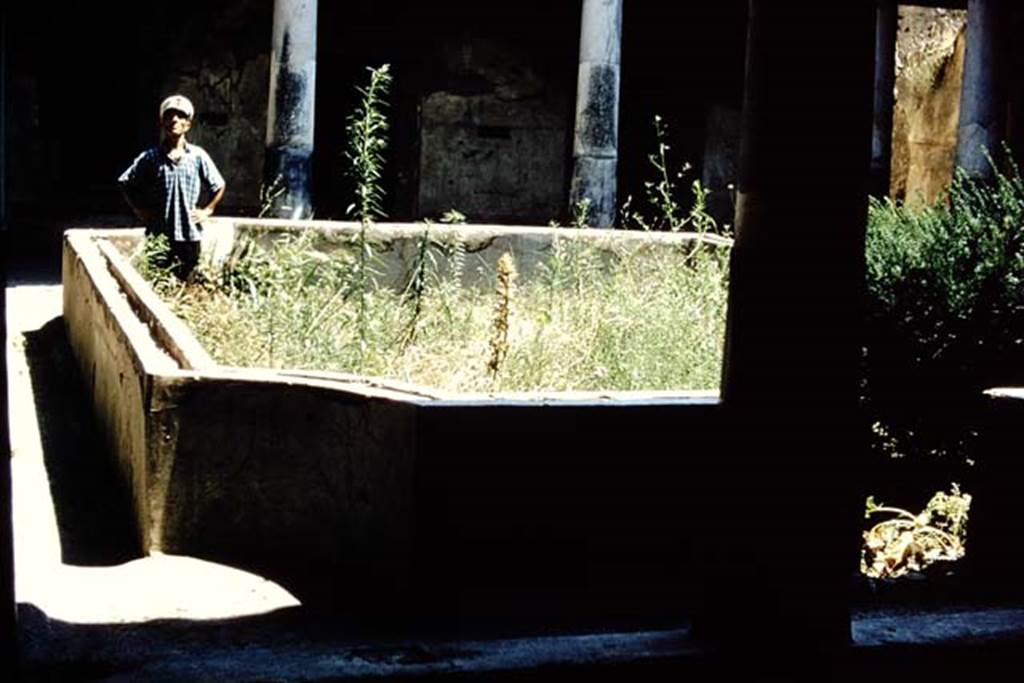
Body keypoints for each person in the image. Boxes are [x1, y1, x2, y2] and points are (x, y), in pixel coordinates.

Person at [118, 94, 226, 279]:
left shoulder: (198, 156)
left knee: (188, 284)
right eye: (169, 116)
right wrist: (140, 209)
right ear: (162, 122)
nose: (174, 120)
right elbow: (126, 182)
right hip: (159, 234)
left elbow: (219, 185)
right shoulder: (150, 157)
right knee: (157, 283)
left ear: (188, 124)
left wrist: (207, 210)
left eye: (180, 116)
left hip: (190, 235)